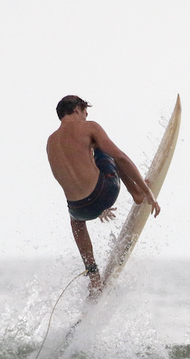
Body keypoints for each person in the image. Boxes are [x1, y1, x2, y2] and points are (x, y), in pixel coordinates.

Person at [46, 95, 160, 294]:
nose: (86, 117)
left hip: (80, 210)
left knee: (75, 220)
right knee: (105, 150)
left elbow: (74, 179)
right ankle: (137, 194)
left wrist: (94, 208)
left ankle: (93, 275)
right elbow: (121, 158)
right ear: (76, 110)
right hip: (105, 193)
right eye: (85, 113)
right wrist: (148, 191)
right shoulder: (89, 127)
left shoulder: (51, 142)